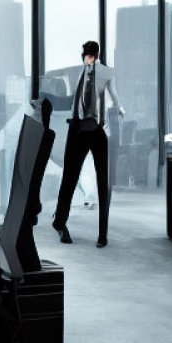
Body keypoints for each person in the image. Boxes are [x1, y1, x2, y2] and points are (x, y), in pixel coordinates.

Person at [52, 41, 124, 248]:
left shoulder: (106, 73)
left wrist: (117, 111)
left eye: (90, 54)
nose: (88, 57)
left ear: (96, 54)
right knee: (69, 178)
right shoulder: (77, 74)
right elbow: (70, 99)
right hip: (77, 130)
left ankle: (103, 234)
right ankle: (59, 223)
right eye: (85, 54)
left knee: (103, 182)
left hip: (96, 131)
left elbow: (115, 98)